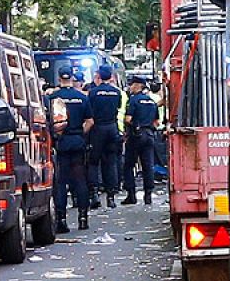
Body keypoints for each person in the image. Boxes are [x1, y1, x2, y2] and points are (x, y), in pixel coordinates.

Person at [44, 65, 93, 231]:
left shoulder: (53, 98)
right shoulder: (81, 97)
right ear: (72, 78)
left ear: (59, 78)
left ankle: (61, 220)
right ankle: (83, 218)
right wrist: (80, 134)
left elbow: (48, 121)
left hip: (61, 143)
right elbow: (90, 121)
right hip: (77, 141)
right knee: (80, 180)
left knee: (61, 183)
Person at [87, 65, 124, 209]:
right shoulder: (116, 92)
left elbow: (90, 111)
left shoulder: (93, 93)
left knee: (93, 162)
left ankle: (94, 193)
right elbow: (119, 107)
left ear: (99, 77)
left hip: (98, 128)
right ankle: (111, 196)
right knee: (111, 162)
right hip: (112, 128)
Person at [122, 75, 162, 204]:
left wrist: (131, 128)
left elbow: (128, 119)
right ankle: (148, 195)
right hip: (149, 135)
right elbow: (157, 121)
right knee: (148, 166)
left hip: (136, 136)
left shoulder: (133, 100)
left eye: (132, 85)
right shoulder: (150, 101)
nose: (130, 87)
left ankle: (131, 195)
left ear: (138, 85)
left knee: (128, 165)